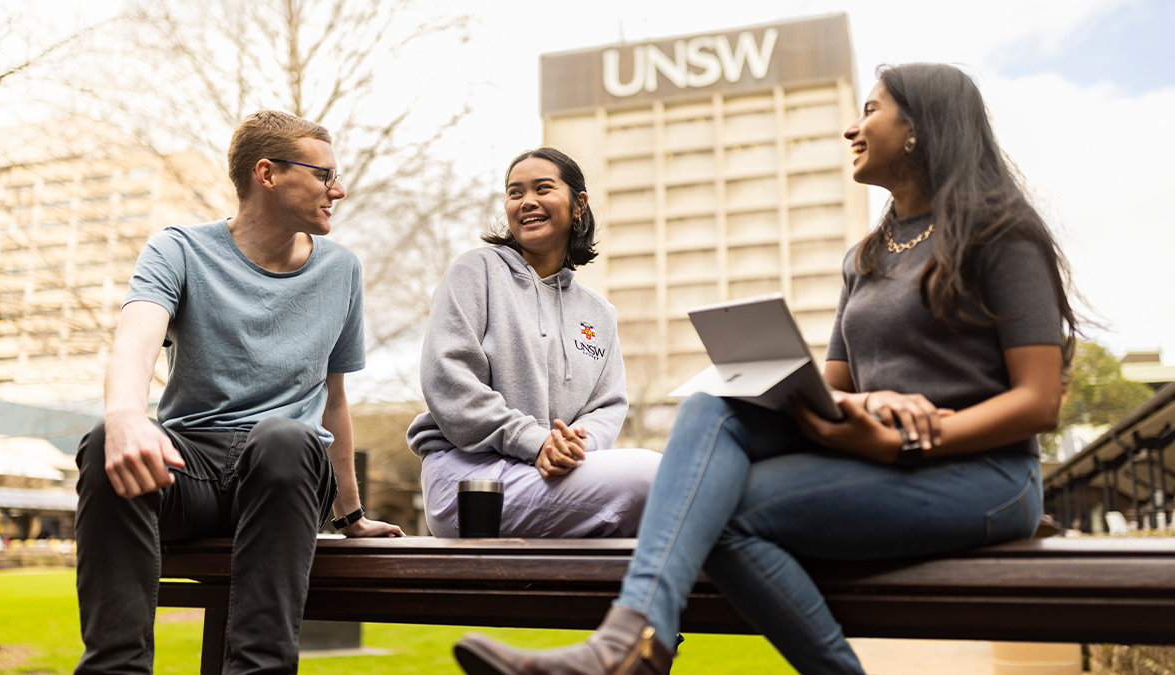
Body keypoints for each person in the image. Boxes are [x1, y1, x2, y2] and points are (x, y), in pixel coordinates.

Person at [452, 62, 1077, 675]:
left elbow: (1038, 402)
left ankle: (627, 646)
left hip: (984, 474)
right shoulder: (868, 256)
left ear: (918, 127)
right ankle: (630, 642)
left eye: (869, 110)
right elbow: (836, 392)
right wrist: (863, 414)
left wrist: (907, 438)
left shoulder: (1000, 234)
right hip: (877, 453)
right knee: (709, 406)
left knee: (716, 509)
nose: (851, 130)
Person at [74, 110, 403, 675]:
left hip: (283, 473)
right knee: (108, 437)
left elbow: (335, 399)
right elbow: (136, 338)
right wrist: (126, 415)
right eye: (324, 175)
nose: (338, 189)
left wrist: (352, 517)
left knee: (284, 437)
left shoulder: (340, 270)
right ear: (267, 173)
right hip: (192, 469)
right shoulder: (177, 249)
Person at [407, 147, 661, 538]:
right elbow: (448, 381)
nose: (527, 202)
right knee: (652, 477)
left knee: (673, 496)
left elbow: (607, 406)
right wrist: (535, 442)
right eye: (515, 192)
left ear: (579, 205)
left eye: (543, 188)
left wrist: (570, 448)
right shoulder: (476, 272)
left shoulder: (598, 313)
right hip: (470, 479)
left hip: (558, 474)